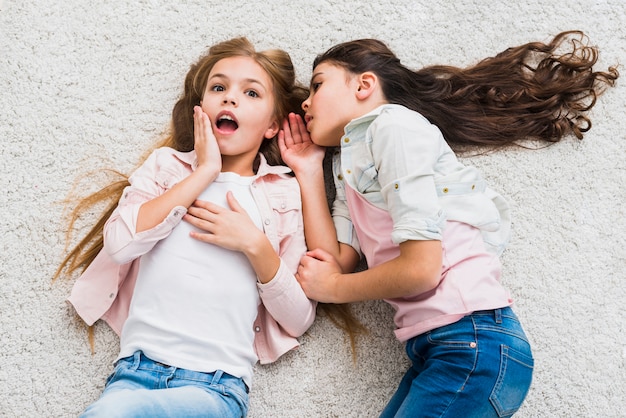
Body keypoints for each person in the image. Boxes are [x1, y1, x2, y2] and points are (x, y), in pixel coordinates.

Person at [278, 31, 618, 418]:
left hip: (471, 340)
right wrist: (307, 172)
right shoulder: (349, 164)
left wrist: (337, 288)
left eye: (318, 83)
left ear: (364, 84)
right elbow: (333, 261)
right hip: (445, 348)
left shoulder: (393, 128)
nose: (306, 101)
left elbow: (420, 270)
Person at [54, 37, 317, 418]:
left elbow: (298, 319)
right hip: (133, 375)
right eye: (219, 87)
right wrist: (204, 172)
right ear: (202, 107)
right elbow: (120, 244)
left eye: (251, 93)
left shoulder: (282, 192)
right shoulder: (167, 168)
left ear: (273, 124)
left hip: (215, 387)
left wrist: (254, 245)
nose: (230, 99)